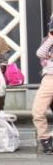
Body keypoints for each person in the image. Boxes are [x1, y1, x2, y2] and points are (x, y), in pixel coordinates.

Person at [32, 17, 53, 155]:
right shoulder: (47, 40)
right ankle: (45, 139)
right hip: (49, 78)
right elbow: (40, 54)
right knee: (38, 110)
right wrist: (51, 38)